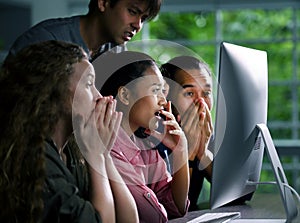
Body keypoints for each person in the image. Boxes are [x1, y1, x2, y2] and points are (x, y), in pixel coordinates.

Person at [0, 40, 138, 223]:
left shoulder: (73, 150)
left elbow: (130, 220)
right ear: (52, 89)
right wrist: (96, 155)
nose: (99, 96)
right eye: (89, 84)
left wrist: (104, 154)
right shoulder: (35, 159)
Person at [100, 51, 190, 222]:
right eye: (156, 90)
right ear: (125, 95)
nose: (164, 101)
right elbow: (155, 216)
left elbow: (176, 208)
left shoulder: (144, 144)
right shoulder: (108, 147)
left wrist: (180, 151)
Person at [7, 0, 162, 61]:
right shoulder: (44, 39)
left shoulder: (116, 51)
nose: (138, 25)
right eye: (133, 12)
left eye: (143, 18)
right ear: (103, 3)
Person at [160, 55, 214, 211]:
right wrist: (188, 151)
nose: (201, 103)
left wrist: (203, 153)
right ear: (167, 98)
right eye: (189, 93)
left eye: (206, 93)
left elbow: (240, 194)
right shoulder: (154, 137)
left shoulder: (206, 131)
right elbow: (176, 208)